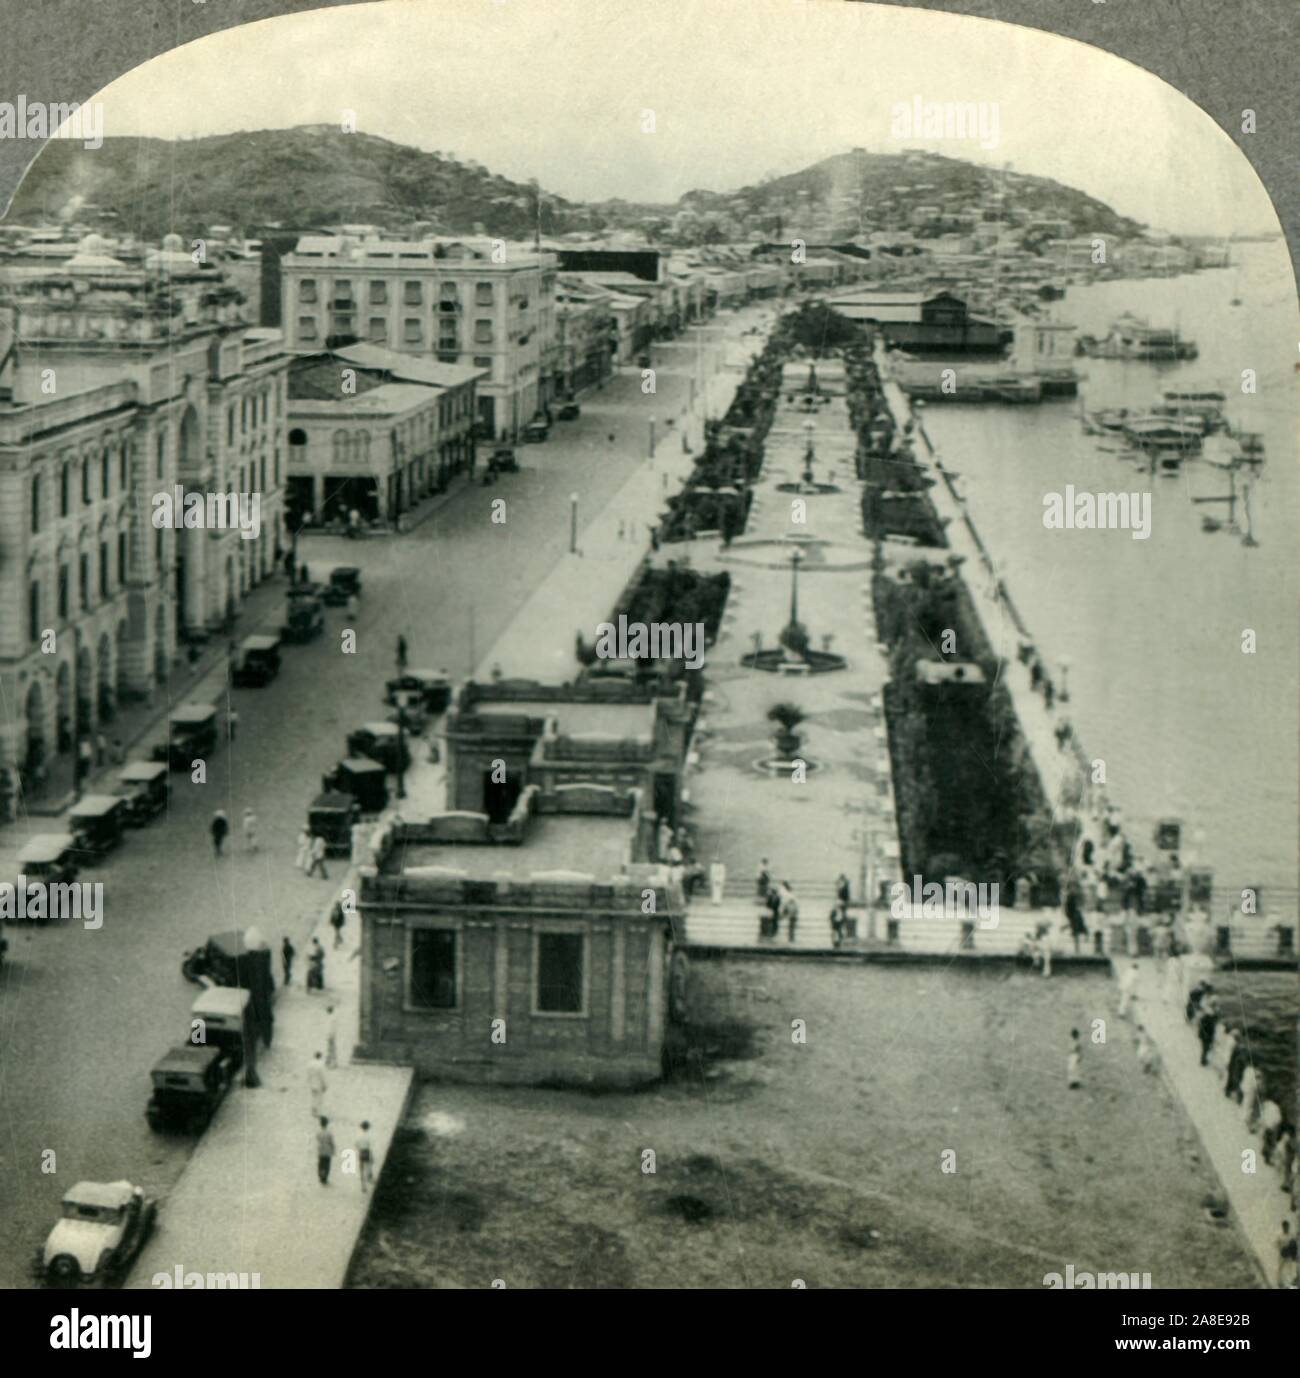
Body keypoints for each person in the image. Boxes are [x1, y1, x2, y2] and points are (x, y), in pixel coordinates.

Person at [1277, 1220, 1298, 1290]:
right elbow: (1278, 1245)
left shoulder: (1291, 1235)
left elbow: (1294, 1245)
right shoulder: (1280, 1236)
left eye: (1287, 1227)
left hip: (1290, 1256)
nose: (1286, 1228)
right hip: (1284, 1255)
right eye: (1285, 1227)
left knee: (1292, 1271)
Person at [316, 1116, 336, 1186]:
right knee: (327, 1164)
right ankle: (325, 1179)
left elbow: (318, 1140)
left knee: (321, 1164)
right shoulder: (329, 1133)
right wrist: (333, 1150)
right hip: (327, 1149)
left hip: (321, 1149)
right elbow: (332, 1142)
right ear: (327, 1124)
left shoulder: (319, 1132)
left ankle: (321, 1177)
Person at [357, 1121, 375, 1192]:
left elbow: (356, 1144)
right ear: (367, 1128)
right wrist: (372, 1155)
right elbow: (370, 1146)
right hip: (367, 1152)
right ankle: (369, 1176)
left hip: (361, 1152)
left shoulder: (359, 1135)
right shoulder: (368, 1136)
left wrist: (359, 1149)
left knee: (361, 1169)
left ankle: (363, 1186)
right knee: (368, 1166)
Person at [307, 1053, 326, 1117]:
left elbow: (308, 1074)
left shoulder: (310, 1064)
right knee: (319, 1098)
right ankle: (317, 1111)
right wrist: (324, 1084)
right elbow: (322, 1076)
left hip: (312, 1083)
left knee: (313, 1097)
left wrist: (309, 1081)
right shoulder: (321, 1065)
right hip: (319, 1083)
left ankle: (313, 1110)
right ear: (320, 1057)